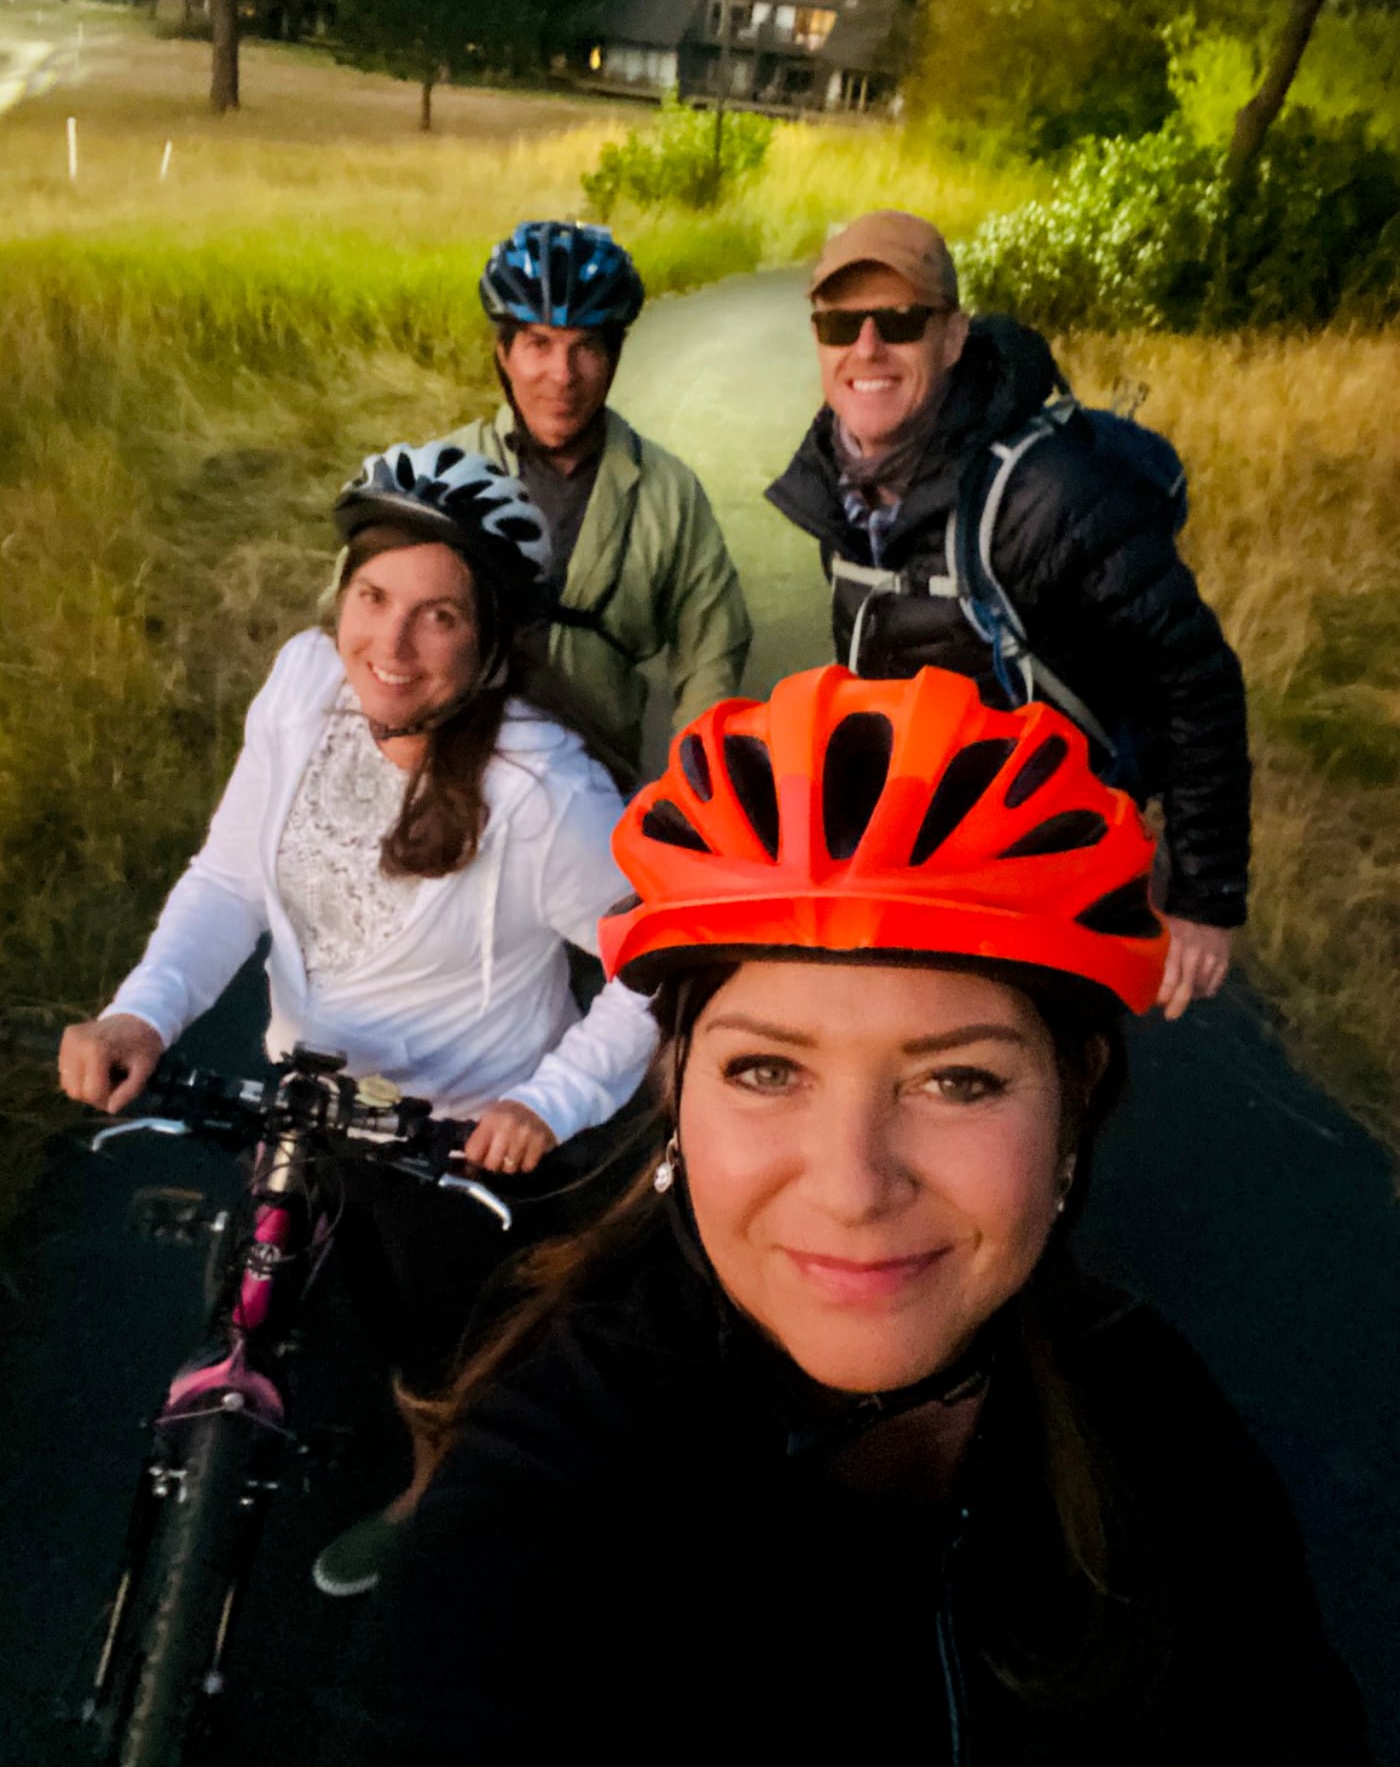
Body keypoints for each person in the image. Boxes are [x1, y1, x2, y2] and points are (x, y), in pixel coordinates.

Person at [344, 666, 1367, 1763]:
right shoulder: (543, 1494)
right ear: (674, 1090)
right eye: (767, 1070)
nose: (849, 1185)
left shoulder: (1154, 1416)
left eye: (956, 1080)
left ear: (1074, 1096)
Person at [58, 442, 657, 1596]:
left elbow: (655, 969)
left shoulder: (543, 790)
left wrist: (549, 1100)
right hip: (306, 1098)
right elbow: (232, 878)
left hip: (454, 1144)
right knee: (277, 1308)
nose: (387, 645)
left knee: (443, 1365)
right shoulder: (301, 686)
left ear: (489, 641)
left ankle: (433, 1493)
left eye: (438, 617)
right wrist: (143, 1011)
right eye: (372, 597)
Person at [764, 209, 1251, 1023]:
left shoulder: (1045, 498)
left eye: (903, 322)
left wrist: (1206, 899)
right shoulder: (840, 487)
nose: (868, 347)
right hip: (921, 864)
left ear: (953, 338)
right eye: (841, 323)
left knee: (1032, 1091)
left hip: (1055, 872)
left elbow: (1196, 677)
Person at [441, 218, 752, 782]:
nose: (562, 376)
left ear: (614, 357)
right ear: (503, 353)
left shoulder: (668, 492)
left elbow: (713, 654)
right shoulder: (445, 474)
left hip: (594, 785)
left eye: (585, 347)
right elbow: (358, 619)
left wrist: (693, 790)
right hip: (451, 776)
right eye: (539, 343)